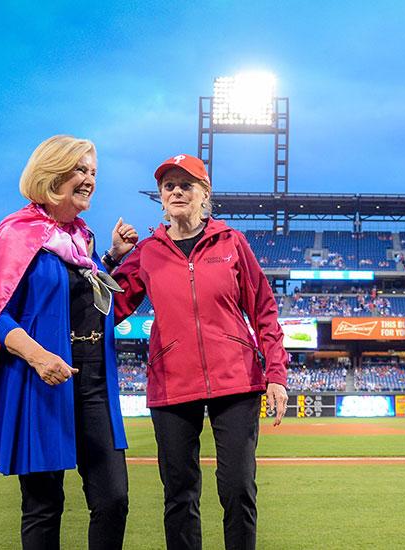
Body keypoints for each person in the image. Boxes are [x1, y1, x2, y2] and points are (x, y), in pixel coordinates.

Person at [109, 154, 289, 550]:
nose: (176, 191)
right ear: (160, 197)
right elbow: (106, 307)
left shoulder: (231, 242)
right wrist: (112, 257)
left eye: (186, 185)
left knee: (238, 489)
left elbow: (263, 309)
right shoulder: (148, 252)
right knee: (179, 494)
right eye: (168, 185)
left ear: (204, 194)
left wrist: (276, 374)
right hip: (172, 384)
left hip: (236, 381)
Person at [0, 135, 131, 550]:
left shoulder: (84, 240)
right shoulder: (18, 232)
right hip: (42, 385)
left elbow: (85, 295)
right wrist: (38, 356)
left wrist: (110, 259)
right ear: (52, 173)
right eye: (81, 169)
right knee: (44, 507)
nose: (89, 179)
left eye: (93, 172)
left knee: (113, 499)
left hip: (95, 384)